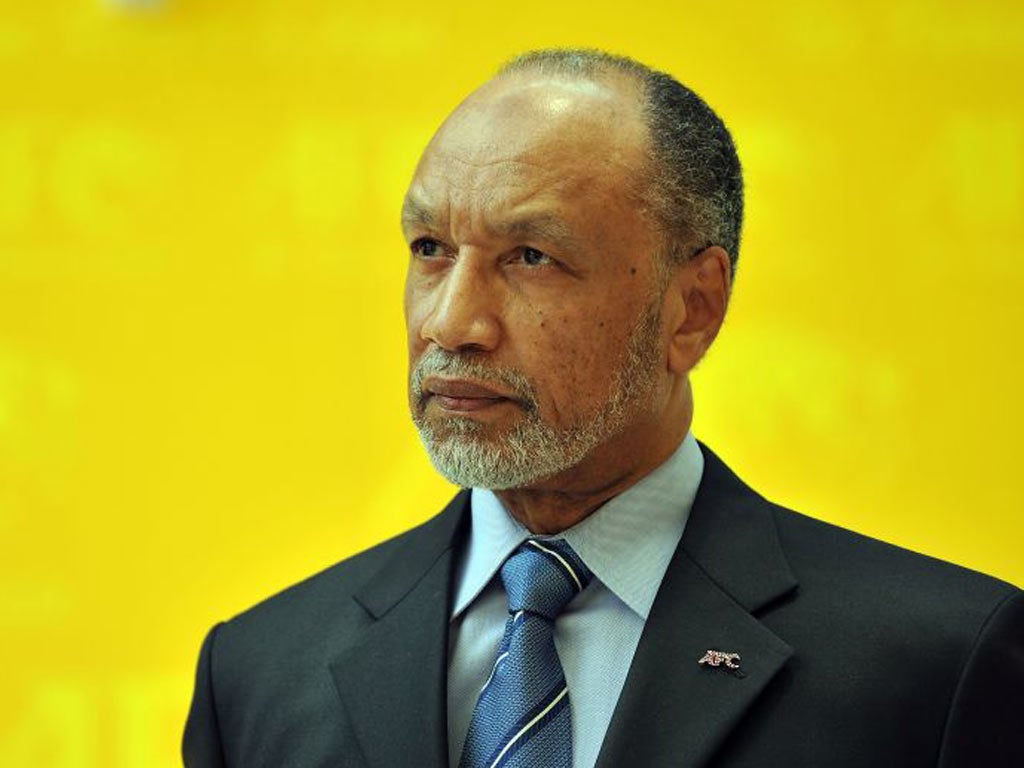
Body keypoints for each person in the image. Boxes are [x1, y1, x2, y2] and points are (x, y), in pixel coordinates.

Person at [183, 49, 1024, 767]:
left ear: (692, 309)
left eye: (531, 257)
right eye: (430, 249)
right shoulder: (257, 671)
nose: (450, 323)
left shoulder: (938, 669)